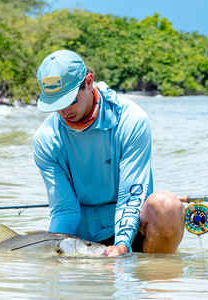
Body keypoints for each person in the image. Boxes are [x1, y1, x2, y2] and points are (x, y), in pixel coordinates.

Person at [33, 50, 185, 256]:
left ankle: (154, 275)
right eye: (56, 105)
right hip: (83, 238)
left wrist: (121, 245)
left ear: (88, 81)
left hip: (134, 223)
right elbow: (64, 210)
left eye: (70, 101)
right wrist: (54, 251)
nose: (64, 112)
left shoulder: (131, 119)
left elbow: (130, 196)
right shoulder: (45, 139)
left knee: (167, 206)